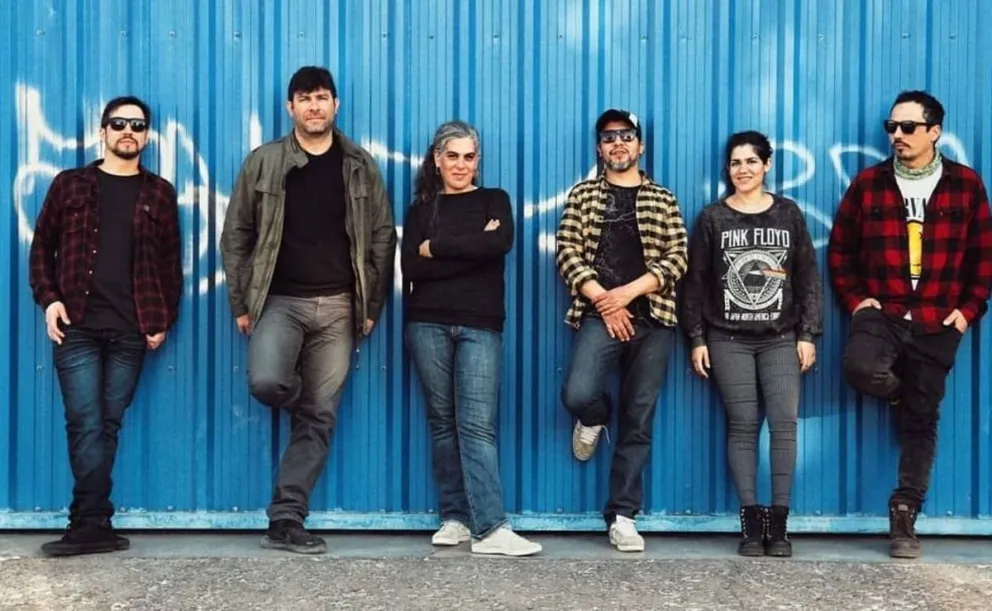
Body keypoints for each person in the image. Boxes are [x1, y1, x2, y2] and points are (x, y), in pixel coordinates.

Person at [220, 66, 397, 554]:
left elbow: (382, 237)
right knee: (267, 383)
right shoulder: (264, 162)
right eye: (304, 98)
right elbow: (236, 234)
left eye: (322, 97)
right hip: (280, 300)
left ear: (335, 105)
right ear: (290, 107)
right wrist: (241, 301)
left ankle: (286, 518)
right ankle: (313, 407)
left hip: (340, 306)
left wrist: (370, 305)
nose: (314, 106)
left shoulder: (359, 164)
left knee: (320, 417)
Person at [828, 90, 992, 559]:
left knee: (921, 421)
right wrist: (857, 301)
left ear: (934, 132)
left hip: (939, 319)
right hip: (883, 312)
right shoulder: (869, 184)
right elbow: (840, 250)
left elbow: (983, 256)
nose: (896, 135)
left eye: (907, 127)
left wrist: (967, 311)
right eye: (891, 127)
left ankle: (904, 514)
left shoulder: (965, 185)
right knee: (860, 369)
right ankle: (901, 394)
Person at [29, 96, 182, 556]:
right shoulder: (70, 184)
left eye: (137, 125)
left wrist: (163, 318)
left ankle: (93, 523)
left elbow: (169, 265)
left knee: (106, 424)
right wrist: (50, 300)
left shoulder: (160, 193)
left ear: (147, 136)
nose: (127, 131)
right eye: (118, 123)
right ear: (103, 131)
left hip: (131, 329)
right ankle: (90, 521)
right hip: (76, 325)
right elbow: (41, 249)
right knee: (85, 422)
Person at [401, 121, 541, 556]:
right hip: (426, 323)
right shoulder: (421, 209)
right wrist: (472, 245)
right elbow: (412, 268)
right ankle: (456, 518)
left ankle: (491, 527)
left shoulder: (494, 199)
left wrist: (437, 247)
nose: (461, 165)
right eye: (452, 156)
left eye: (469, 157)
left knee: (476, 426)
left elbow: (499, 244)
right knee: (443, 424)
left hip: (480, 324)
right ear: (437, 160)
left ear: (477, 161)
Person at [682, 131, 823, 557]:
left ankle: (779, 525)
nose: (742, 170)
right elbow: (695, 283)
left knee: (784, 424)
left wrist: (808, 334)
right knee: (742, 425)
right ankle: (750, 523)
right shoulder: (712, 218)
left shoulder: (788, 213)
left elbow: (807, 277)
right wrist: (696, 338)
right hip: (727, 339)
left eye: (750, 161)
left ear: (767, 165)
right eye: (735, 162)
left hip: (780, 338)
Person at [556, 109, 688, 552]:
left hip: (654, 320)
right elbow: (567, 252)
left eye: (627, 136)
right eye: (610, 137)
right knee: (578, 393)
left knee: (639, 418)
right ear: (600, 149)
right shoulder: (583, 195)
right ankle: (595, 417)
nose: (619, 143)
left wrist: (626, 294)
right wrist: (604, 301)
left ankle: (623, 516)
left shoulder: (662, 198)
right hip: (600, 315)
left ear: (640, 146)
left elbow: (677, 257)